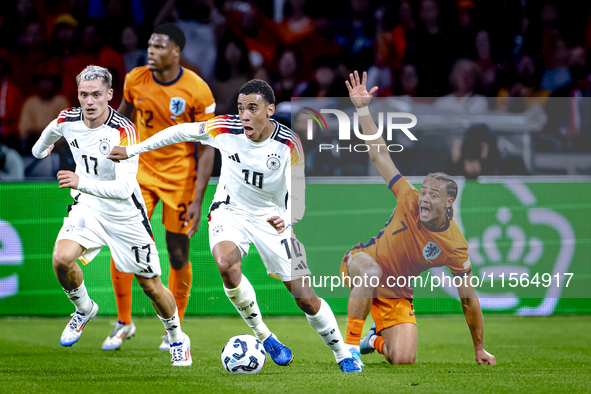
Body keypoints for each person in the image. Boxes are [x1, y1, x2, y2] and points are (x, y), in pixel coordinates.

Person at [108, 79, 363, 373]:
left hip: (273, 219)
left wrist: (288, 217)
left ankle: (342, 353)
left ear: (270, 110)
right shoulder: (224, 128)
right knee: (226, 264)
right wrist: (133, 150)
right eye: (241, 108)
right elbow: (180, 132)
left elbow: (299, 196)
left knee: (306, 297)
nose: (244, 115)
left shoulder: (289, 144)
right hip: (229, 210)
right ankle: (265, 337)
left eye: (252, 108)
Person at [31, 65, 191, 366]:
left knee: (151, 286)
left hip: (124, 215)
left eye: (95, 95)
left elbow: (124, 188)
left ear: (109, 95)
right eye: (83, 95)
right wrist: (42, 150)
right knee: (61, 259)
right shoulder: (68, 119)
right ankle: (84, 309)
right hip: (88, 207)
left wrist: (81, 182)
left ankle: (177, 338)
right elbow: (45, 139)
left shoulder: (124, 130)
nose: (89, 102)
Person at [342, 71, 496, 366]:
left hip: (397, 292)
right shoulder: (408, 198)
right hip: (362, 261)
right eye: (424, 191)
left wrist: (479, 347)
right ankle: (348, 349)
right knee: (371, 272)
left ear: (448, 202)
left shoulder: (454, 245)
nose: (424, 197)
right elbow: (380, 155)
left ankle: (372, 339)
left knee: (403, 359)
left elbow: (468, 299)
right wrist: (362, 109)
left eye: (433, 194)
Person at [102, 24, 216, 351]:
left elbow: (207, 147)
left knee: (178, 251)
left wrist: (198, 198)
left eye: (159, 46)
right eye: (149, 44)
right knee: (124, 242)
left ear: (176, 52)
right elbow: (120, 119)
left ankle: (174, 328)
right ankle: (124, 322)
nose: (151, 50)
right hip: (139, 173)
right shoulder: (135, 78)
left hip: (181, 178)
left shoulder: (197, 90)